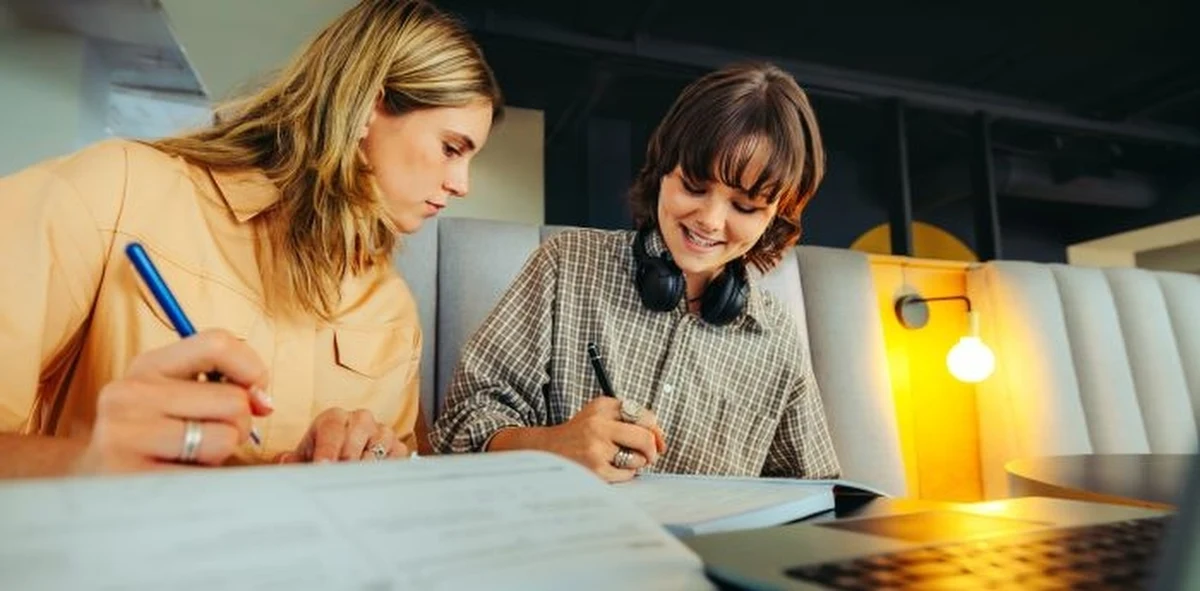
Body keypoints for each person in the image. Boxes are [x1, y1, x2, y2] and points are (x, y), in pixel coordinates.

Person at [0, 0, 502, 477]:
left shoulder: (391, 310)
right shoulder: (115, 189)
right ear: (368, 107)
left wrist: (372, 460)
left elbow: (399, 481)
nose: (463, 185)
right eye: (451, 147)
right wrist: (85, 464)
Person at [430, 62, 841, 483]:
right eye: (694, 187)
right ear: (663, 169)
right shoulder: (566, 266)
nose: (711, 221)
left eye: (745, 207)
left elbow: (816, 493)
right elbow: (456, 429)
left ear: (775, 216)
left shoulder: (779, 341)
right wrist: (553, 446)